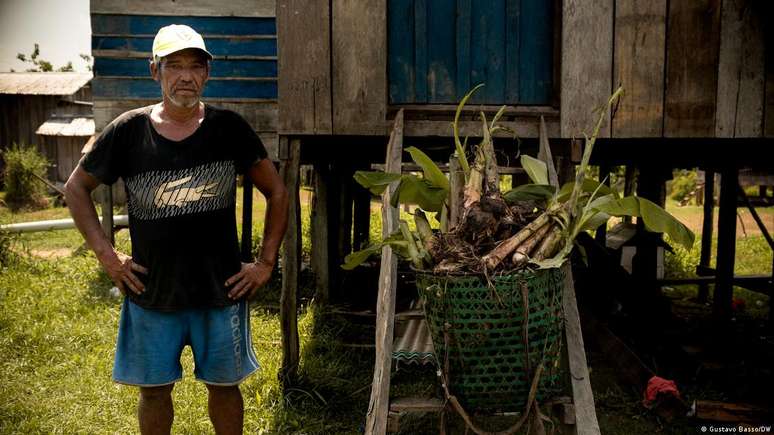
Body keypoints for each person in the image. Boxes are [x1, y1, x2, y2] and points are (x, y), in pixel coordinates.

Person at [65, 24, 288, 435]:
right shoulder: (128, 131)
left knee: (225, 388)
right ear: (155, 71)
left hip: (221, 292)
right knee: (153, 392)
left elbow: (276, 192)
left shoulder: (229, 129)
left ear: (207, 74)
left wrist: (265, 262)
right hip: (151, 293)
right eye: (174, 65)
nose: (185, 75)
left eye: (195, 66)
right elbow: (76, 187)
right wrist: (108, 257)